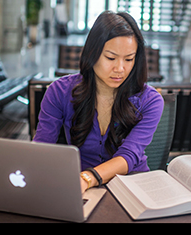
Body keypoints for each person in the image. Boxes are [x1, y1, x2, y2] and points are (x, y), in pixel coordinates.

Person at [33, 11, 164, 193]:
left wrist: (88, 178)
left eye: (129, 59)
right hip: (80, 188)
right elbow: (42, 149)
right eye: (110, 58)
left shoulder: (150, 101)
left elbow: (129, 154)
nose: (120, 69)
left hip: (131, 187)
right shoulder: (60, 92)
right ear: (92, 54)